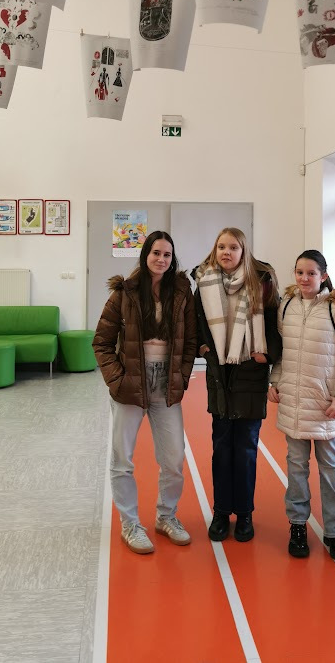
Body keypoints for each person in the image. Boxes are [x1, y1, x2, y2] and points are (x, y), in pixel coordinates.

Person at [93, 230, 197, 555]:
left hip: (166, 385)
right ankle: (130, 524)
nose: (161, 259)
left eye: (167, 254)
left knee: (174, 459)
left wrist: (181, 376)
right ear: (145, 255)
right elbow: (101, 342)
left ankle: (166, 516)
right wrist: (117, 380)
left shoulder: (182, 293)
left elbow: (190, 342)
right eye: (156, 253)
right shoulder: (124, 292)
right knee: (122, 459)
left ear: (172, 259)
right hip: (130, 385)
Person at [268, 250, 335, 562]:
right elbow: (283, 352)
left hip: (326, 407)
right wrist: (275, 381)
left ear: (323, 276)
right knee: (296, 468)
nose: (304, 278)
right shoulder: (287, 305)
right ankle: (297, 526)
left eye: (311, 273)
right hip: (294, 405)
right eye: (299, 272)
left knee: (330, 470)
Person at [193, 227, 281, 543]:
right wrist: (203, 347)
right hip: (219, 372)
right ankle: (220, 512)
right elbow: (197, 323)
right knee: (221, 448)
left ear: (244, 251)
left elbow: (275, 325)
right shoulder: (204, 282)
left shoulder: (262, 281)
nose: (226, 252)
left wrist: (266, 355)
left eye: (233, 247)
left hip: (249, 371)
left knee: (245, 449)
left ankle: (244, 514)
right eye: (221, 247)